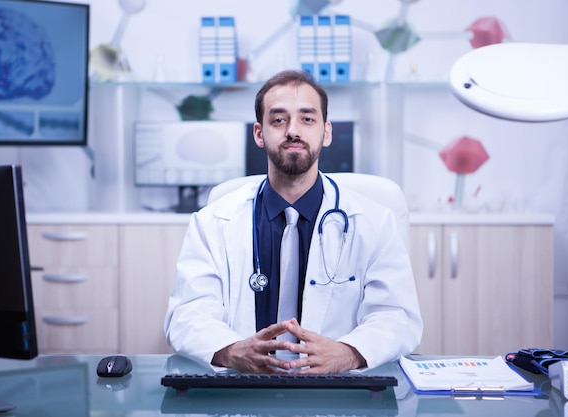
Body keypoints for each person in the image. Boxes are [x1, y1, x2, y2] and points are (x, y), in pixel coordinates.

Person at [164, 70, 422, 374]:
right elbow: (187, 315)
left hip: (338, 395)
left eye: (307, 119)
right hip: (242, 391)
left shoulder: (375, 222)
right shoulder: (212, 222)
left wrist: (349, 353)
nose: (293, 131)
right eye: (278, 120)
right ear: (260, 134)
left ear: (326, 133)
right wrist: (231, 351)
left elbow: (396, 316)